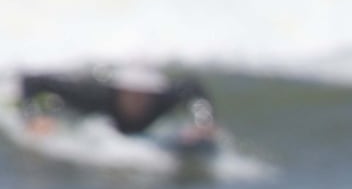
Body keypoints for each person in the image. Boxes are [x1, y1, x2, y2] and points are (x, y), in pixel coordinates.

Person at [18, 66, 218, 149]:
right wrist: (33, 117)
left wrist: (204, 123)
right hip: (70, 106)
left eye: (145, 94)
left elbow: (194, 88)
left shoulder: (161, 100)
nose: (139, 99)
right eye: (132, 93)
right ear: (121, 91)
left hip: (130, 131)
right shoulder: (96, 96)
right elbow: (32, 81)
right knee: (58, 104)